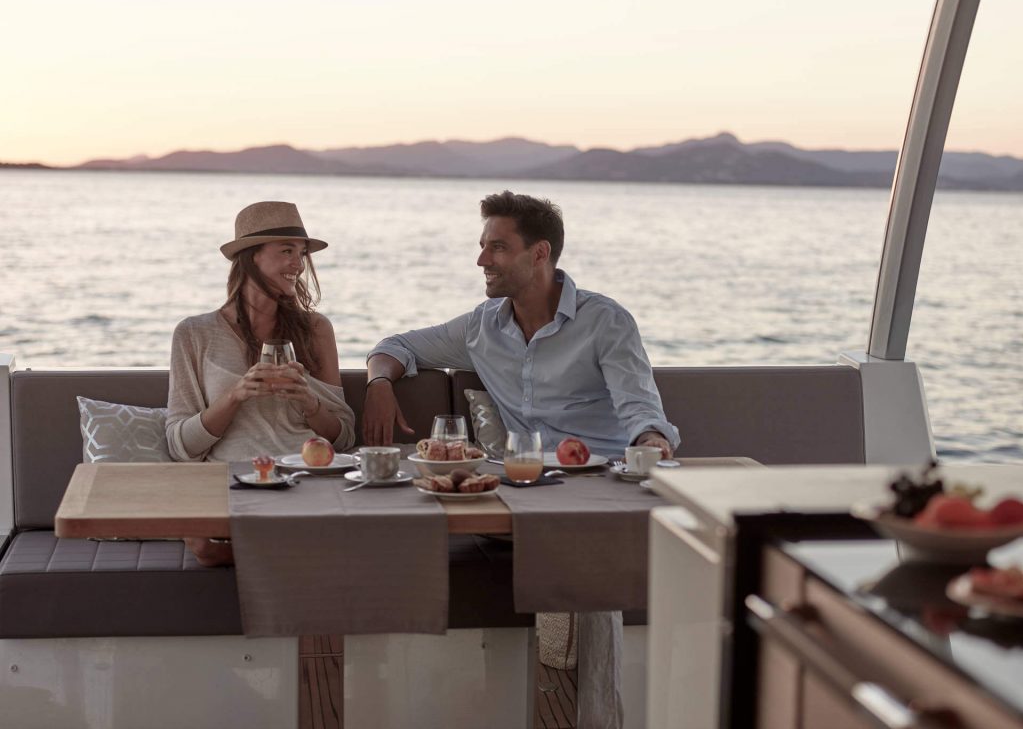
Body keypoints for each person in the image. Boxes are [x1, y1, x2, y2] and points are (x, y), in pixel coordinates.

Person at [363, 190, 680, 729]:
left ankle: (588, 717)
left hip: (595, 489)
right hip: (518, 492)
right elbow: (398, 344)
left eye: (497, 248)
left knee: (583, 559)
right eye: (483, 246)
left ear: (540, 254)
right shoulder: (481, 327)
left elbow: (639, 406)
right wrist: (377, 383)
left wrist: (650, 442)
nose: (482, 260)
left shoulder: (605, 322)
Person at [167, 201, 356, 565]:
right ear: (252, 256)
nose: (299, 265)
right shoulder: (194, 333)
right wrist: (236, 395)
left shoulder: (317, 330)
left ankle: (275, 556)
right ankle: (291, 556)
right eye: (287, 251)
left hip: (304, 477)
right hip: (233, 478)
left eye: (301, 254)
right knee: (204, 544)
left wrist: (308, 400)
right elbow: (180, 445)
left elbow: (344, 436)